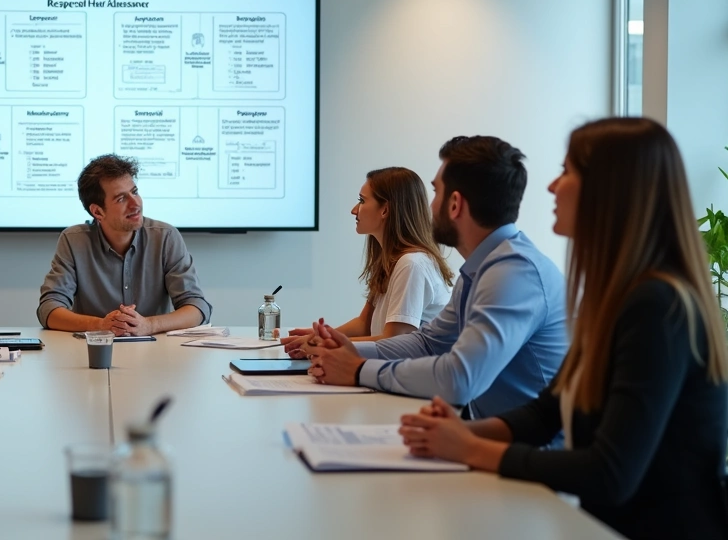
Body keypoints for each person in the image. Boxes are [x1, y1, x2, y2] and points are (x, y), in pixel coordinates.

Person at [398, 118, 728, 539]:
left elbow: (611, 471)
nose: (552, 187)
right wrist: (457, 432)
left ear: (610, 190)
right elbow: (544, 413)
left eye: (567, 171)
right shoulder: (617, 295)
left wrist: (470, 448)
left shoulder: (657, 306)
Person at [297, 136, 568, 419]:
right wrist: (349, 350)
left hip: (525, 449)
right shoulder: (480, 268)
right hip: (487, 432)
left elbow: (459, 378)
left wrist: (358, 369)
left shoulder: (514, 273)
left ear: (454, 204)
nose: (429, 206)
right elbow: (427, 343)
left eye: (435, 193)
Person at [38, 154, 212, 335]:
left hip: (155, 352)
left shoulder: (166, 237)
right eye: (121, 198)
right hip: (93, 352)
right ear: (97, 211)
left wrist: (149, 325)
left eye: (134, 192)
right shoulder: (74, 241)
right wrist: (101, 325)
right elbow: (49, 309)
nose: (135, 203)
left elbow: (197, 308)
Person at [282, 167, 452, 346]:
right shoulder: (393, 260)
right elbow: (364, 324)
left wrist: (326, 345)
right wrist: (322, 336)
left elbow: (394, 342)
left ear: (385, 210)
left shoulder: (412, 264)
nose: (354, 210)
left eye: (361, 201)